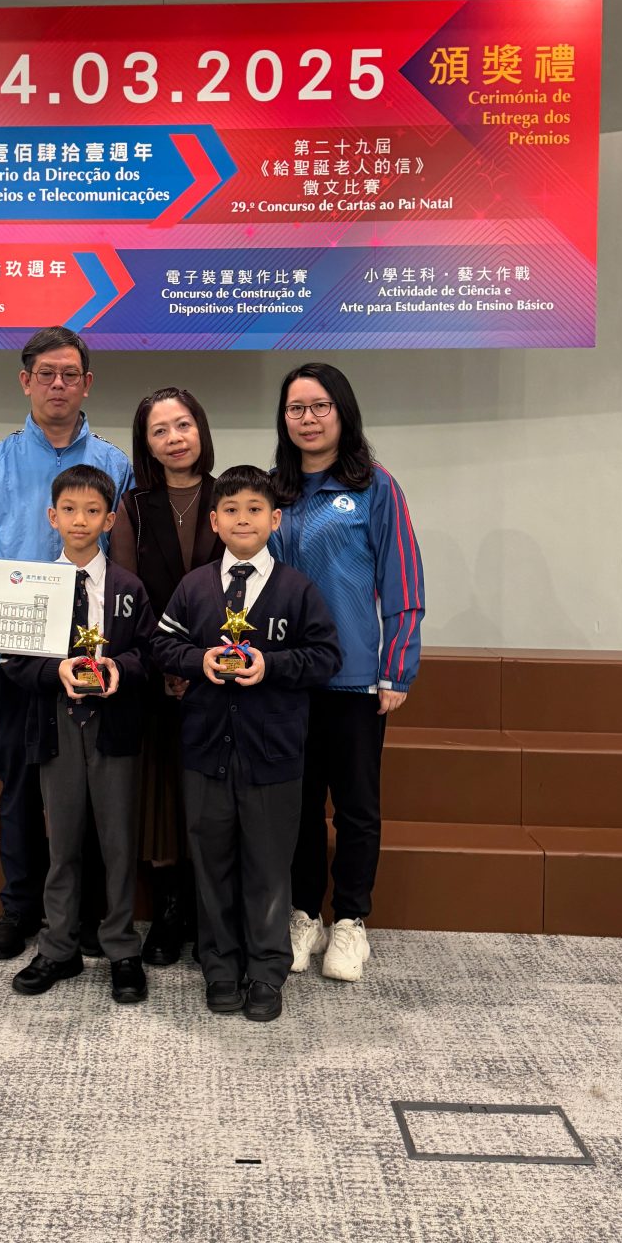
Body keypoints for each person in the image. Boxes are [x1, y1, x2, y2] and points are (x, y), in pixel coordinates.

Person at [0, 327, 133, 962]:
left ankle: (88, 915)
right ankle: (19, 907)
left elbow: (130, 555)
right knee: (20, 781)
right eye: (46, 374)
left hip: (96, 655)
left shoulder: (116, 464)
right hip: (16, 654)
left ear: (87, 384)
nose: (57, 385)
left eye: (70, 374)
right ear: (26, 381)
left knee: (95, 787)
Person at [152, 465, 341, 1023]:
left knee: (268, 865)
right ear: (214, 521)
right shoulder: (194, 587)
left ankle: (265, 970)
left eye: (255, 510)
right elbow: (163, 646)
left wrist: (272, 665)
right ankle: (219, 965)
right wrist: (199, 660)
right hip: (205, 751)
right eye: (230, 510)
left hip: (273, 755)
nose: (242, 519)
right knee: (211, 862)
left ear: (275, 520)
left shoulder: (297, 589)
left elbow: (326, 656)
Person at [270, 363, 425, 984]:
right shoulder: (275, 490)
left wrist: (397, 669)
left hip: (355, 679)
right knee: (299, 805)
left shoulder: (375, 486)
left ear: (342, 411)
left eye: (320, 406)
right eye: (296, 409)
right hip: (288, 678)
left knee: (356, 806)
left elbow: (402, 580)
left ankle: (352, 920)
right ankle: (304, 913)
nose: (307, 419)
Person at [3, 466, 156, 1005]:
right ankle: (59, 946)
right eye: (69, 510)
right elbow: (15, 661)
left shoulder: (129, 588)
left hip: (114, 731)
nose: (80, 520)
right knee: (62, 842)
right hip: (57, 727)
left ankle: (121, 948)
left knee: (117, 844)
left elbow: (149, 653)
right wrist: (56, 671)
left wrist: (119, 669)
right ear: (52, 517)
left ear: (109, 521)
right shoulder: (33, 586)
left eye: (93, 511)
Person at [109, 387, 221, 965]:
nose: (174, 438)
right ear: (146, 444)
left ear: (201, 429)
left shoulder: (231, 494)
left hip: (223, 671)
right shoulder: (132, 507)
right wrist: (169, 663)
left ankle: (211, 912)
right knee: (164, 792)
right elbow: (129, 593)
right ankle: (172, 908)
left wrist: (201, 663)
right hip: (156, 672)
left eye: (183, 425)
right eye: (160, 430)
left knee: (213, 792)